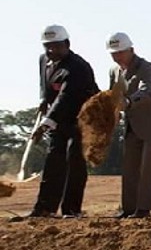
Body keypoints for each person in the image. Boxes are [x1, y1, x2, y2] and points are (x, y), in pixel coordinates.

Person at [24, 25, 99, 218]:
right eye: (47, 47)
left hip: (81, 120)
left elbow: (66, 98)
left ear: (67, 44)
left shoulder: (78, 67)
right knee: (53, 161)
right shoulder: (44, 60)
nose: (51, 51)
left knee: (74, 161)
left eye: (56, 46)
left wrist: (46, 122)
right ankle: (44, 208)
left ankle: (72, 210)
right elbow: (45, 84)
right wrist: (43, 100)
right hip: (58, 120)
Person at [108, 32, 151, 218]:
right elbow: (115, 96)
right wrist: (113, 115)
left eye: (120, 52)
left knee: (147, 166)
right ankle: (128, 208)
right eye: (113, 53)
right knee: (129, 165)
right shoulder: (114, 71)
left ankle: (143, 209)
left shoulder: (147, 68)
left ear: (131, 50)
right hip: (133, 125)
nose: (117, 56)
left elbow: (148, 90)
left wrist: (129, 102)